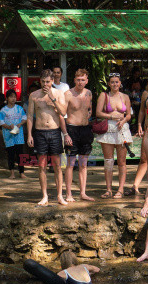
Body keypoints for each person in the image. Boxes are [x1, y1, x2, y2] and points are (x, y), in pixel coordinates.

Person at [27, 69, 68, 206]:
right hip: (40, 132)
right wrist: (29, 135)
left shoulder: (59, 93)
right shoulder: (34, 95)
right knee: (42, 165)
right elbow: (29, 116)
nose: (46, 84)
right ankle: (44, 195)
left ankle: (59, 196)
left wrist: (52, 98)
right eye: (43, 82)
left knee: (57, 165)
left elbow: (63, 112)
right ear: (40, 81)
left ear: (52, 81)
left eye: (48, 82)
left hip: (54, 131)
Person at [95, 73, 133, 199]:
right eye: (112, 82)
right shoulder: (104, 95)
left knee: (122, 162)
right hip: (108, 130)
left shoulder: (125, 97)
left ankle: (120, 189)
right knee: (108, 161)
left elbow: (128, 114)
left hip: (122, 130)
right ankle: (108, 189)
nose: (115, 84)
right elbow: (98, 113)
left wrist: (123, 121)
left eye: (117, 82)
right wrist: (111, 116)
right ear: (109, 83)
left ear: (120, 83)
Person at [64, 69, 94, 202]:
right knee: (70, 163)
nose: (80, 82)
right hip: (72, 130)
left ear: (87, 80)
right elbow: (61, 115)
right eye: (78, 79)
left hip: (85, 130)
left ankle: (83, 193)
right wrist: (65, 134)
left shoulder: (89, 93)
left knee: (83, 164)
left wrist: (88, 114)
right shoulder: (68, 94)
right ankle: (69, 193)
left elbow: (90, 108)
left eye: (83, 79)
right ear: (74, 80)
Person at [0, 89, 27, 179]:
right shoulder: (3, 110)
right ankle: (12, 173)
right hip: (8, 136)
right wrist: (9, 127)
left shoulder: (19, 108)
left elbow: (25, 118)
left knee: (20, 154)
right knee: (11, 154)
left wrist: (20, 123)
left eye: (14, 97)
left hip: (19, 135)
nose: (13, 98)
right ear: (7, 98)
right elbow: (1, 122)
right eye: (11, 97)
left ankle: (22, 172)